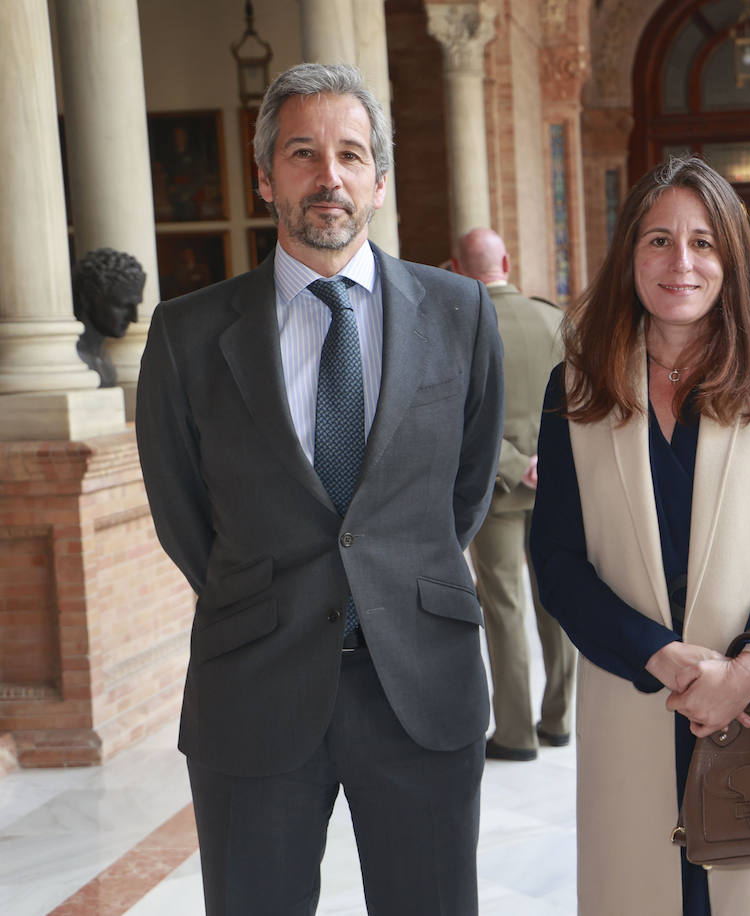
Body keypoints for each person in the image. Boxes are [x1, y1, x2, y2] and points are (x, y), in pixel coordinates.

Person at [136, 63, 504, 916]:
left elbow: (465, 490)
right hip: (254, 686)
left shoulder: (459, 313)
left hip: (421, 684)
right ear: (266, 177)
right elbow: (183, 511)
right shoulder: (189, 336)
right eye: (303, 153)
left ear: (379, 180)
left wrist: (392, 582)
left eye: (349, 154)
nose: (327, 175)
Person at [529, 157, 750, 915]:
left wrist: (748, 668)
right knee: (645, 887)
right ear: (630, 257)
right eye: (659, 241)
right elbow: (558, 561)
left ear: (731, 260)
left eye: (704, 243)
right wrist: (662, 654)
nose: (682, 262)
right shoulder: (575, 387)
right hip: (638, 692)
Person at [453, 226, 575, 762]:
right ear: (506, 259)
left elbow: (454, 416)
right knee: (559, 603)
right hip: (555, 485)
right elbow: (585, 402)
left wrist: (513, 463)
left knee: (504, 608)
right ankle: (558, 720)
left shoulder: (460, 325)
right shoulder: (554, 319)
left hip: (495, 491)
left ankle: (515, 734)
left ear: (456, 269)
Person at [72, 247, 146, 387]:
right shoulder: (72, 359)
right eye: (122, 306)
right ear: (88, 299)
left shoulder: (104, 360)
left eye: (135, 305)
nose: (134, 318)